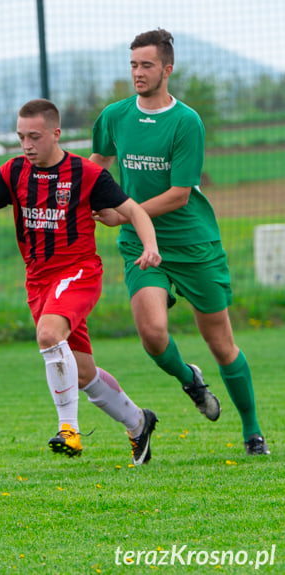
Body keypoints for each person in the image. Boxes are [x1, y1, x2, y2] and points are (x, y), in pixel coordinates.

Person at [0, 99, 162, 464]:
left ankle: (69, 430)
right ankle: (138, 422)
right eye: (21, 137)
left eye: (34, 137)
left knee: (49, 336)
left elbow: (134, 211)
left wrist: (149, 246)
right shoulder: (13, 173)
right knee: (82, 373)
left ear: (56, 133)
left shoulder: (87, 174)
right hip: (39, 283)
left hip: (79, 273)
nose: (26, 145)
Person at [89, 29, 269, 456]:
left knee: (220, 343)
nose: (138, 72)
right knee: (152, 334)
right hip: (139, 243)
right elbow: (97, 166)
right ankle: (191, 380)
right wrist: (79, 202)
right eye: (133, 64)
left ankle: (252, 431)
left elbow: (179, 195)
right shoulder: (114, 116)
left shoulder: (187, 121)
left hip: (193, 244)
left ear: (167, 69)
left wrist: (124, 211)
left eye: (147, 65)